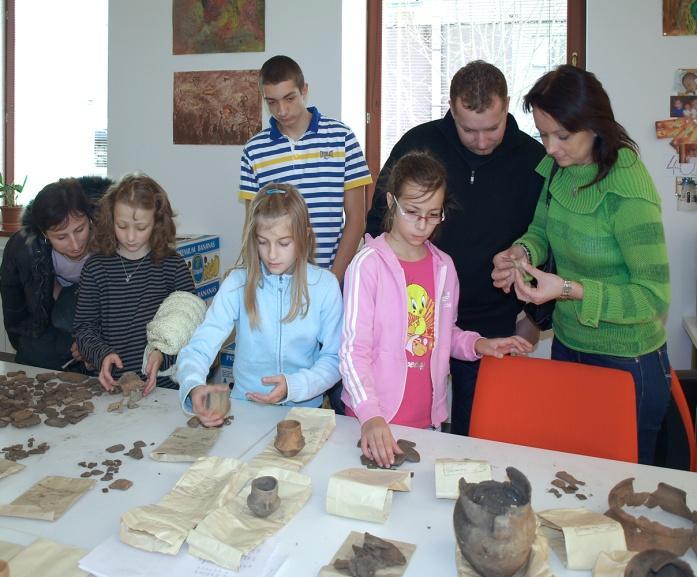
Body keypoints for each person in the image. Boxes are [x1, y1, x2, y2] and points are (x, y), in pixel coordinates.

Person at [491, 65, 671, 466]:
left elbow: (652, 298)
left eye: (562, 136)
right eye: (542, 134)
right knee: (573, 476)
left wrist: (568, 289)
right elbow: (541, 229)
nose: (550, 147)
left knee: (622, 492)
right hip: (569, 347)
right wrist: (521, 253)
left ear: (595, 125)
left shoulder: (628, 189)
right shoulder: (559, 169)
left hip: (627, 363)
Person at [365, 60, 545, 436]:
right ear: (450, 108)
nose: (481, 141)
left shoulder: (533, 160)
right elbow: (378, 220)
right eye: (468, 129)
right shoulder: (419, 144)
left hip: (493, 322)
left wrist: (535, 319)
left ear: (507, 105)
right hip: (415, 317)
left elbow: (548, 240)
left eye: (492, 128)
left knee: (482, 438)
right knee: (409, 424)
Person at [341, 152, 533, 468]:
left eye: (433, 215)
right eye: (412, 212)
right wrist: (370, 415)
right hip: (374, 420)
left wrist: (478, 344)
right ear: (391, 202)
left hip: (426, 421)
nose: (422, 224)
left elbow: (442, 333)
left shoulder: (443, 266)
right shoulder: (367, 266)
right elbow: (352, 351)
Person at [177, 182, 343, 427]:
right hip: (246, 410)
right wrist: (193, 385)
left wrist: (293, 386)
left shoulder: (325, 286)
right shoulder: (237, 284)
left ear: (305, 236)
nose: (272, 254)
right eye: (263, 242)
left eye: (283, 243)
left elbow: (335, 359)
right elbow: (200, 347)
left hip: (306, 412)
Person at [238, 55, 373, 284]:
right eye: (272, 102)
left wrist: (333, 279)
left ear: (304, 90)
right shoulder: (254, 150)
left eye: (289, 98)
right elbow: (254, 225)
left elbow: (357, 218)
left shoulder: (342, 138)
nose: (281, 110)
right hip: (276, 282)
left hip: (332, 275)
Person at [74, 174, 195, 393]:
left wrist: (163, 354)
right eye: (122, 226)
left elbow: (190, 325)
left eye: (141, 228)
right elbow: (84, 328)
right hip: (110, 385)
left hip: (163, 387)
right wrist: (101, 355)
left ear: (157, 223)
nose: (130, 237)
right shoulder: (95, 267)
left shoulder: (172, 266)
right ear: (110, 219)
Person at [0, 176, 112, 369]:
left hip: (98, 312)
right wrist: (24, 344)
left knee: (67, 317)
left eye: (80, 230)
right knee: (32, 355)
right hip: (51, 315)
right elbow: (14, 309)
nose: (75, 245)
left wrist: (93, 341)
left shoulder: (111, 238)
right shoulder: (23, 248)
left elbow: (124, 301)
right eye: (61, 237)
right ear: (44, 233)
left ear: (89, 217)